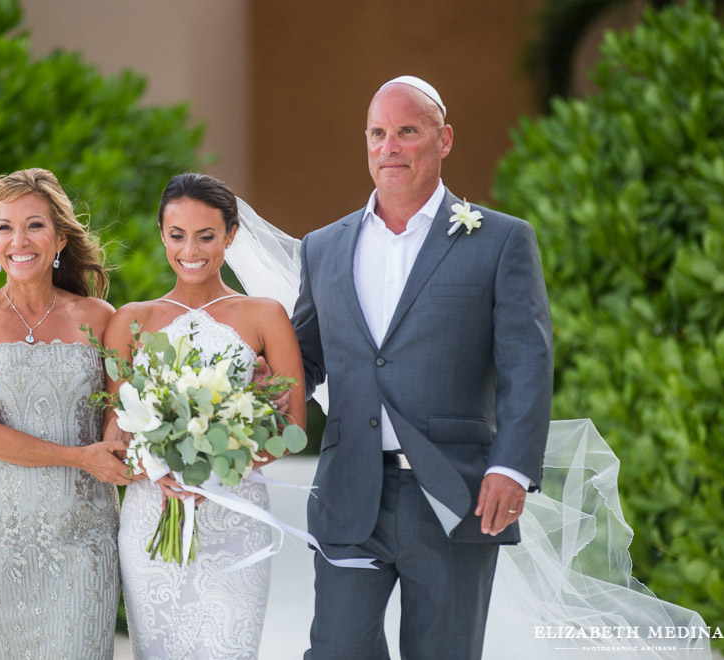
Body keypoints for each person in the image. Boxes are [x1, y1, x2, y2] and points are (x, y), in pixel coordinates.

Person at [292, 76, 553, 660]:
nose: (390, 146)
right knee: (336, 651)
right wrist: (248, 405)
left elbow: (527, 363)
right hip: (349, 490)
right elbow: (305, 358)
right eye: (378, 132)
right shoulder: (323, 247)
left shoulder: (501, 240)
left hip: (452, 495)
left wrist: (512, 467)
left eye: (407, 131)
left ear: (444, 140)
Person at [105, 173, 307, 659]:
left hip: (235, 520)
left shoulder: (265, 315)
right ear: (161, 234)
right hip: (151, 520)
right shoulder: (130, 318)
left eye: (206, 236)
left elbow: (293, 428)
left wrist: (217, 466)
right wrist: (159, 468)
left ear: (231, 235)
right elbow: (113, 431)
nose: (189, 249)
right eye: (177, 235)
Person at [0, 168, 136, 659]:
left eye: (34, 225)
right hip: (2, 537)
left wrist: (117, 437)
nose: (18, 240)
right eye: (5, 227)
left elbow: (120, 409)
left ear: (59, 240)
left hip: (85, 534)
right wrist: (81, 458)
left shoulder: (99, 317)